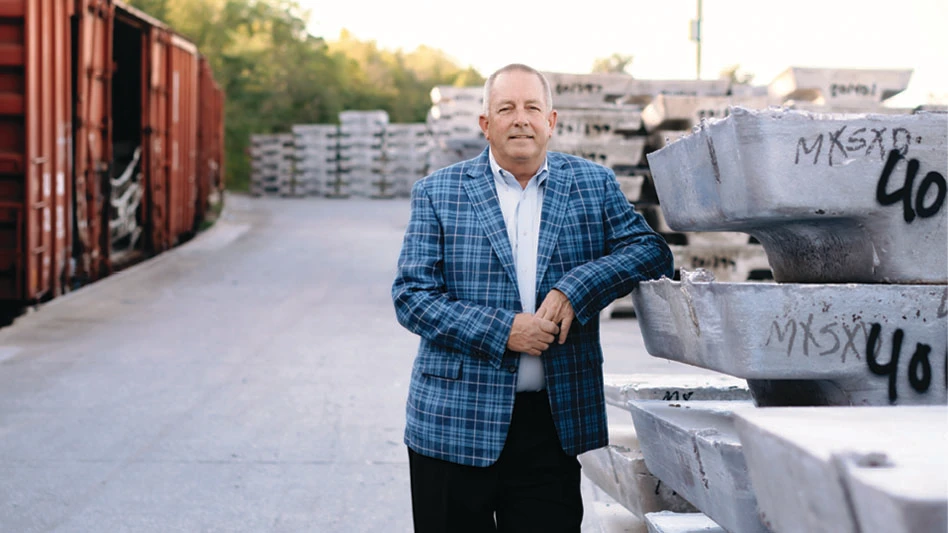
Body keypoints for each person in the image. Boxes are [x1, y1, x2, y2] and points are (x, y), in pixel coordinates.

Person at [392, 63, 673, 533]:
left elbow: (651, 252)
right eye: (505, 108)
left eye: (531, 108)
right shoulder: (439, 192)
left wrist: (575, 288)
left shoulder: (593, 184)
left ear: (551, 121)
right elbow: (412, 296)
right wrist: (505, 332)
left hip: (552, 422)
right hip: (453, 422)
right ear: (486, 124)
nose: (520, 118)